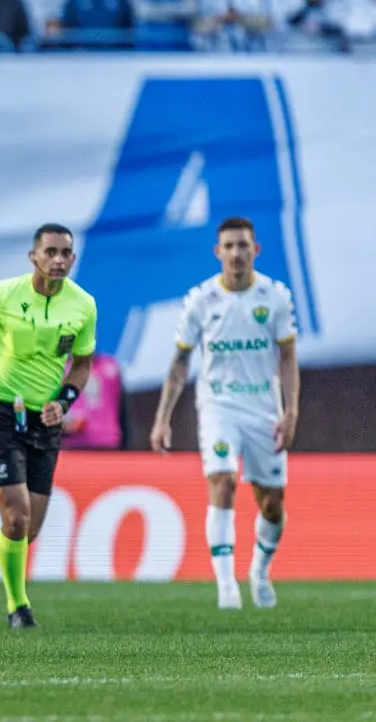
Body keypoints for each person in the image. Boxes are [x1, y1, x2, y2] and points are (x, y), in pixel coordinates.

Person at [149, 216, 299, 611]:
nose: (236, 253)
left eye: (243, 245)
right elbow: (180, 362)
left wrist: (291, 412)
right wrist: (163, 417)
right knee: (223, 480)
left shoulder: (275, 297)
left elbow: (287, 357)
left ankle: (259, 571)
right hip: (218, 405)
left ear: (256, 250)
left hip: (264, 408)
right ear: (218, 252)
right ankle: (227, 587)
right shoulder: (201, 300)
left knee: (272, 504)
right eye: (229, 246)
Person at [0, 224, 97, 629]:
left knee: (27, 530)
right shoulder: (2, 295)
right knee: (16, 518)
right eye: (50, 252)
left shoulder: (83, 305)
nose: (58, 259)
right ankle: (19, 608)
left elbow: (81, 365)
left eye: (65, 253)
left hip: (44, 421)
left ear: (73, 258)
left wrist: (63, 402)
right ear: (33, 256)